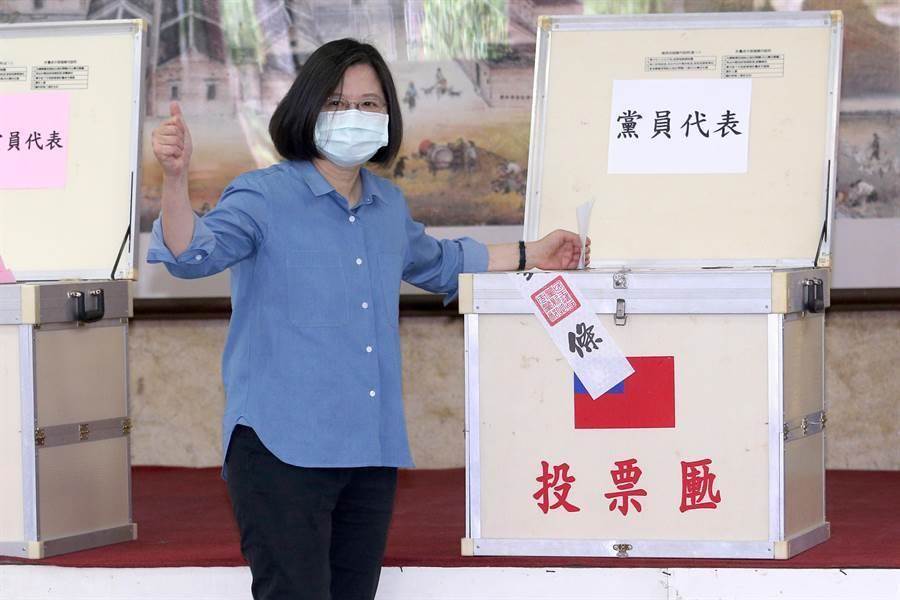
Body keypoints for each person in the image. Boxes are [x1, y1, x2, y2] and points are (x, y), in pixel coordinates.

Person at [148, 38, 589, 600]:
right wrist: (176, 180)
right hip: (281, 450)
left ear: (387, 116)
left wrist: (534, 253)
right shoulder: (262, 197)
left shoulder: (388, 206)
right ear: (305, 109)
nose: (352, 115)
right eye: (335, 102)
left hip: (369, 451)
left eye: (368, 104)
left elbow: (443, 263)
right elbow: (189, 255)